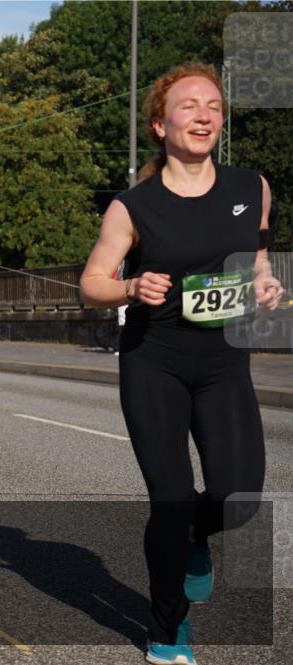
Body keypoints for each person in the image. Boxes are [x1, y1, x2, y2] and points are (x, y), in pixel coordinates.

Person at [79, 63, 285, 665]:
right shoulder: (133, 206)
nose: (203, 115)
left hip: (224, 361)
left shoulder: (252, 187)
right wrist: (129, 286)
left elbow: (257, 258)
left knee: (239, 496)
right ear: (159, 124)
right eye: (189, 105)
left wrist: (264, 284)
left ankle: (200, 532)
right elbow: (91, 283)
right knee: (170, 500)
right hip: (155, 362)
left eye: (214, 106)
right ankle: (168, 630)